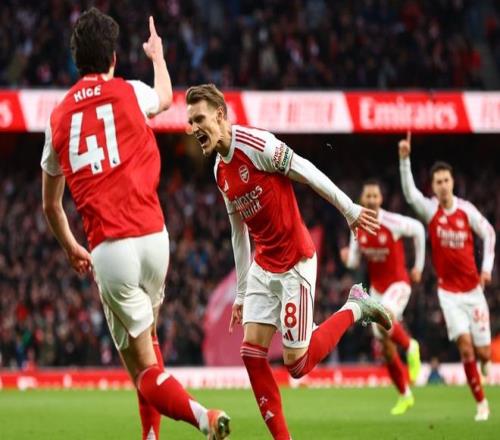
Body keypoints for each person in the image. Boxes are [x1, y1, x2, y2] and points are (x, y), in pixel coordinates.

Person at [41, 9, 229, 440]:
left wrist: (70, 246)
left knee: (142, 367)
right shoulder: (129, 91)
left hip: (111, 248)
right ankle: (150, 437)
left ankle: (203, 417)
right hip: (155, 238)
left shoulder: (57, 118)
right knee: (149, 345)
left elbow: (51, 205)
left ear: (75, 60)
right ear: (113, 57)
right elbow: (165, 96)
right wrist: (157, 55)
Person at [185, 83, 392, 440]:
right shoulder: (220, 171)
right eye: (190, 122)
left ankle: (356, 306)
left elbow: (306, 171)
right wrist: (241, 293)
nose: (193, 128)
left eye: (199, 119)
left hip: (296, 261)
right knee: (251, 354)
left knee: (297, 365)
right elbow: (238, 232)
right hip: (263, 266)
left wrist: (349, 209)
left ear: (219, 115)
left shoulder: (257, 145)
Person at [399, 132, 496, 421]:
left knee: (483, 354)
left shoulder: (466, 211)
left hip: (473, 292)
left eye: (446, 180)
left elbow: (489, 233)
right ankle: (481, 404)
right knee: (465, 347)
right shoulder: (431, 211)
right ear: (433, 186)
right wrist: (404, 160)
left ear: (453, 182)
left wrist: (487, 268)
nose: (442, 185)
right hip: (449, 294)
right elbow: (410, 195)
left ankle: (484, 362)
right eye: (438, 182)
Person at [340, 179, 425, 415]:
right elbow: (355, 261)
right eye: (367, 196)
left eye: (375, 196)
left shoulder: (392, 222)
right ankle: (405, 395)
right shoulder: (358, 226)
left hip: (398, 284)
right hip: (377, 290)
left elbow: (419, 229)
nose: (371, 200)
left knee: (384, 317)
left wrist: (418, 266)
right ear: (362, 199)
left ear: (381, 199)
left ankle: (411, 346)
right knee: (386, 348)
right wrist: (347, 258)